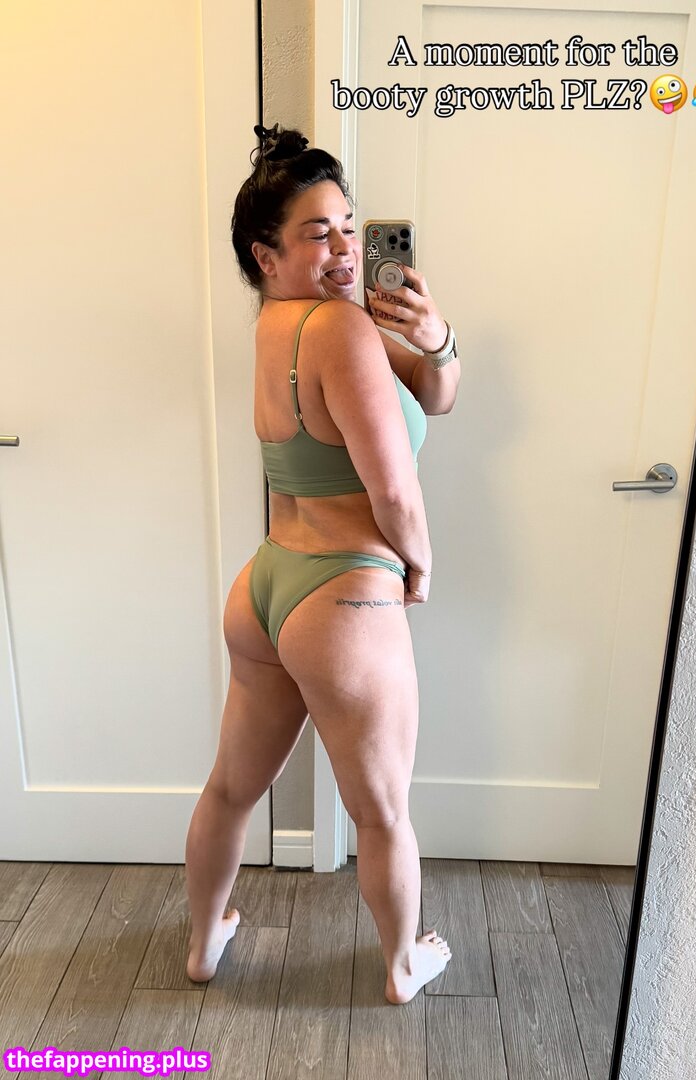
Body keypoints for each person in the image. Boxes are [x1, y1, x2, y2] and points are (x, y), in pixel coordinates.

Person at [183, 123, 461, 1005]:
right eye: (317, 233)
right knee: (382, 813)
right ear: (266, 255)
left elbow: (434, 394)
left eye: (348, 225)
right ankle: (402, 965)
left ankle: (204, 941)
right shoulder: (340, 329)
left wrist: (436, 336)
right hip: (345, 599)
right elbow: (395, 492)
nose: (343, 247)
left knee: (232, 788)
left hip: (267, 589)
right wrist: (420, 566)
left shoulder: (282, 324)